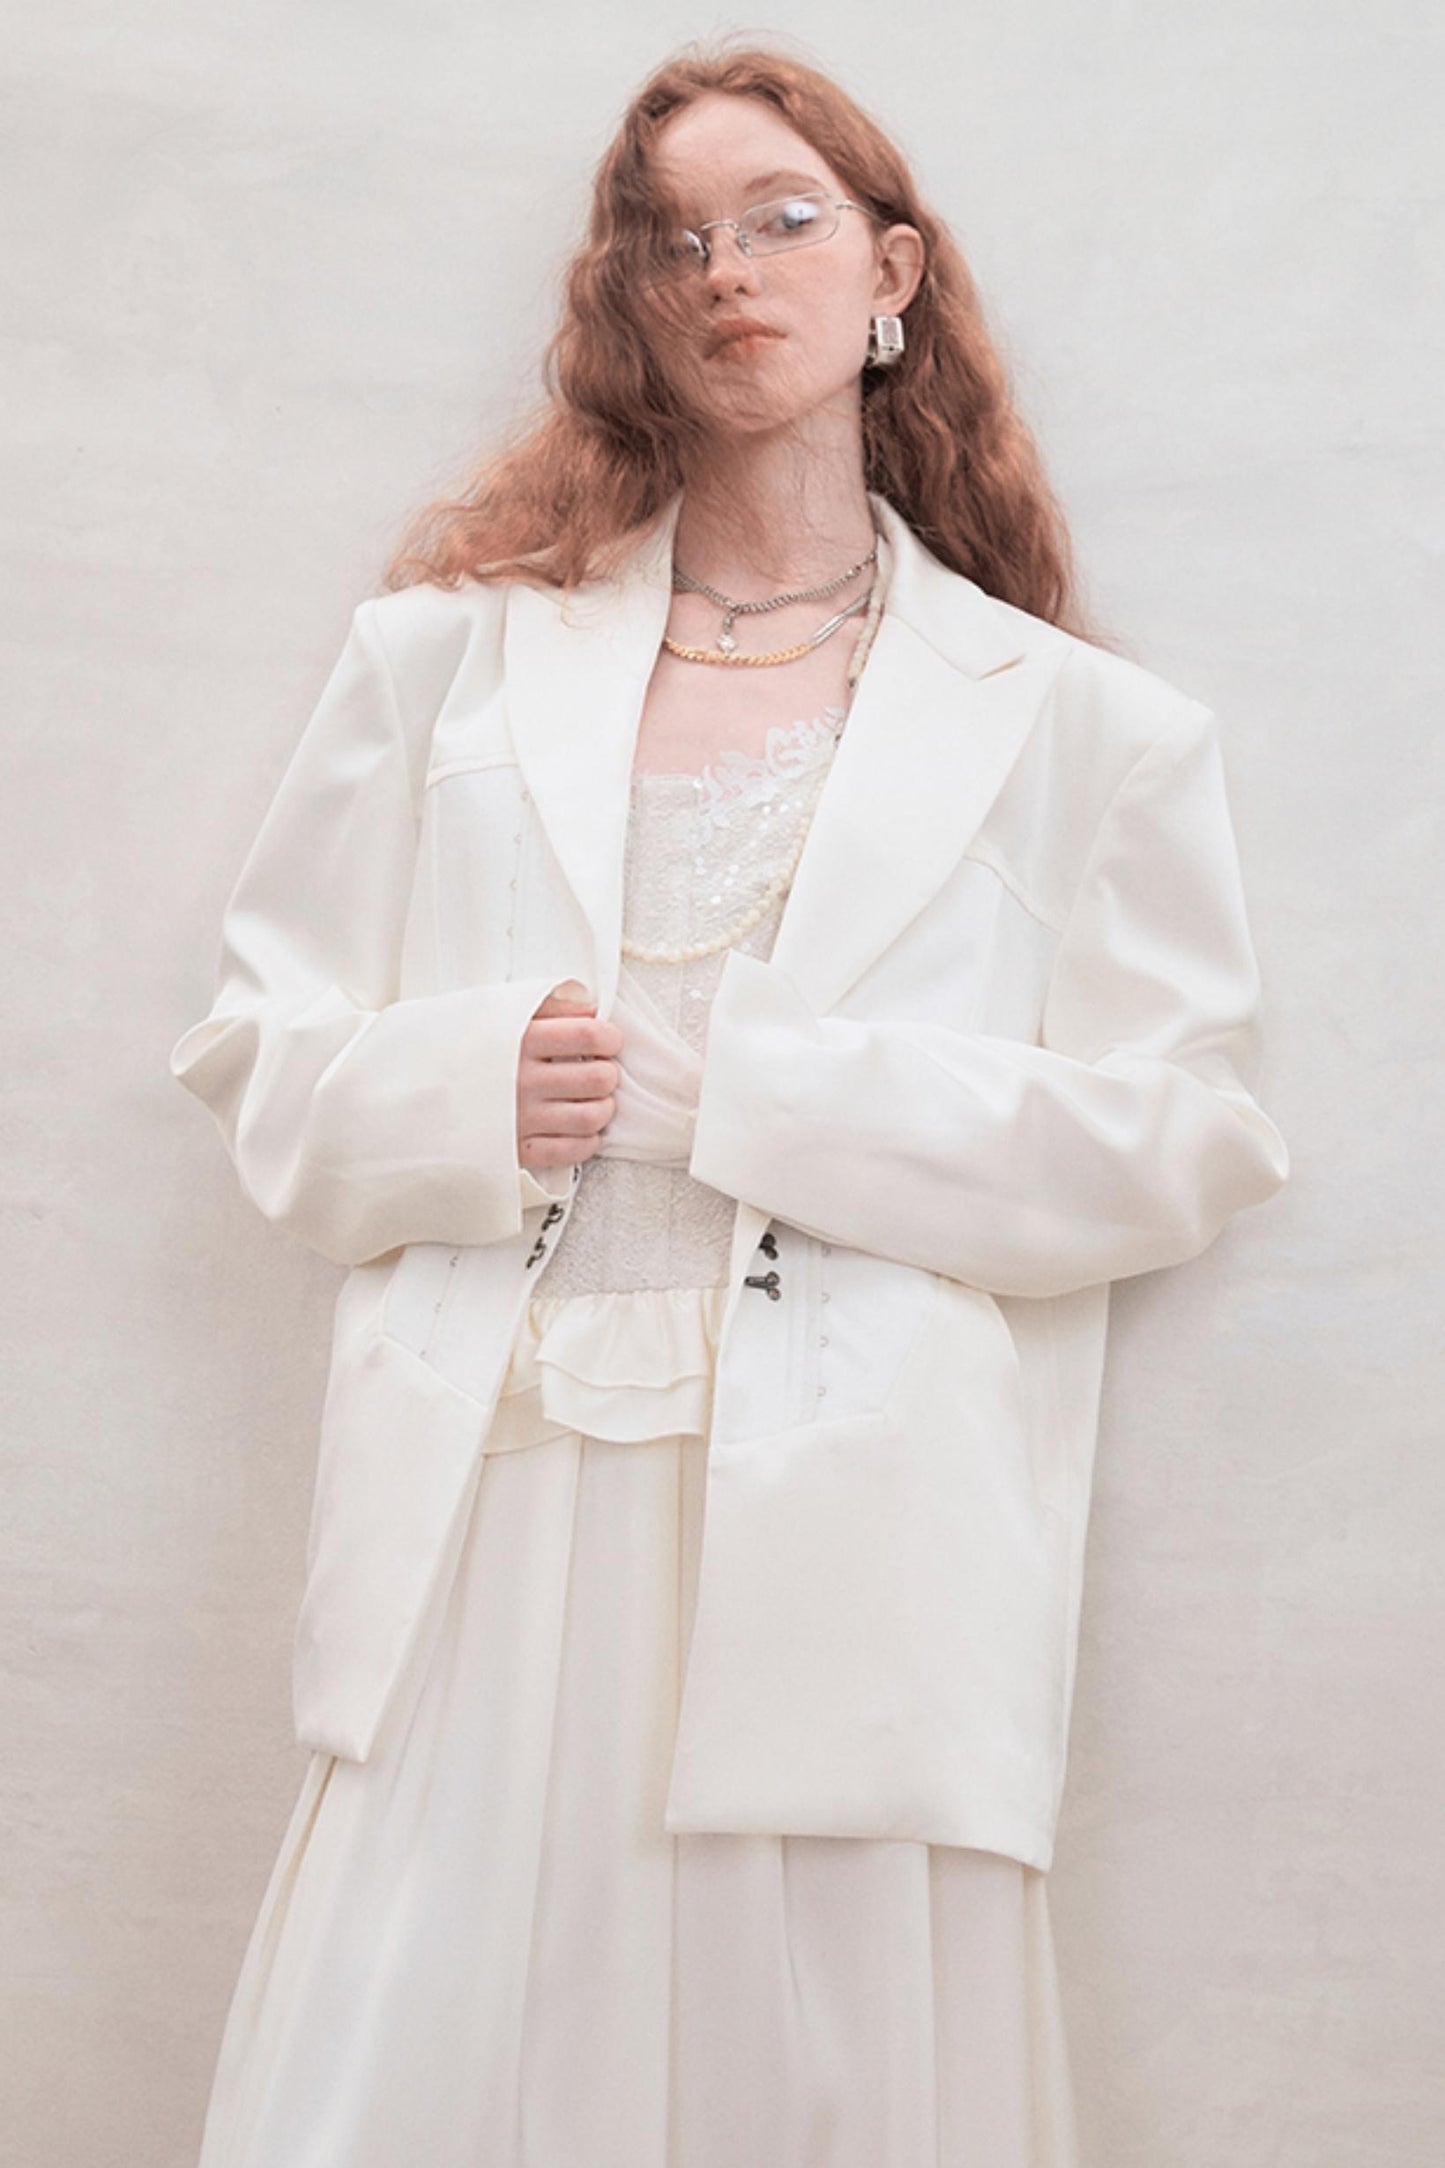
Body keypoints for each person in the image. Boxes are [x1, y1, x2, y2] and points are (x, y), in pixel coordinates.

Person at [169, 41, 1289, 2168]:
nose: (727, 273)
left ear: (891, 277)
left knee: (820, 2085)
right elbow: (257, 1053)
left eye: (781, 220)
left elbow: (1182, 1139)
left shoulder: (1082, 731)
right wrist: (464, 1084)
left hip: (854, 1518)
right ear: (632, 298)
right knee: (409, 2066)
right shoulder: (440, 662)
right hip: (494, 1499)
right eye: (673, 238)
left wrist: (768, 1101)